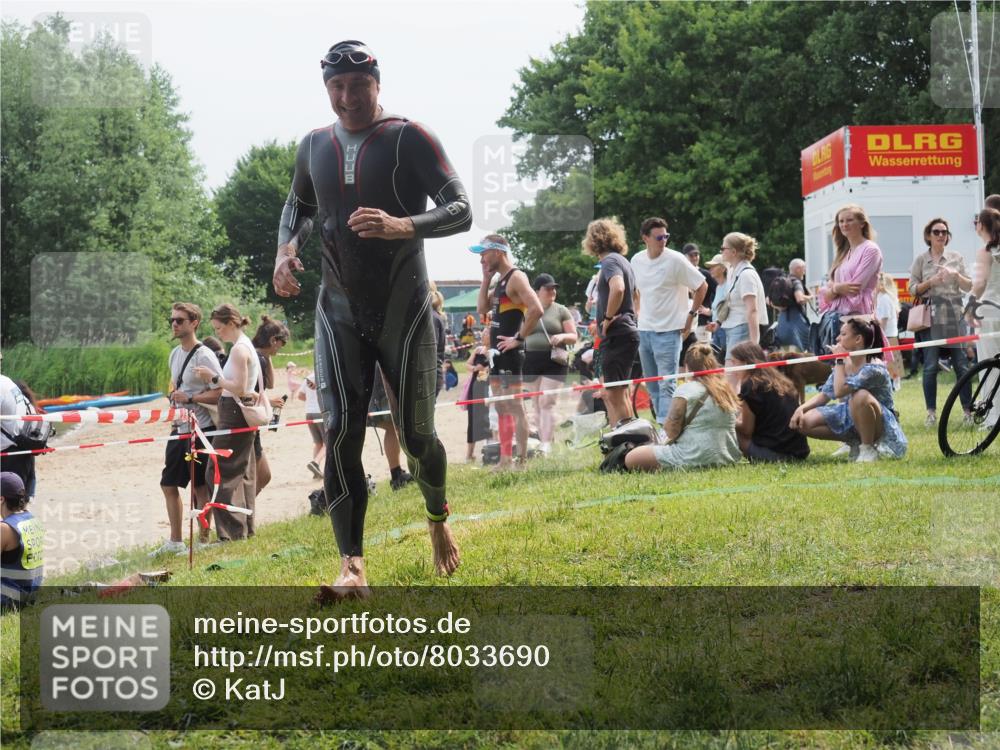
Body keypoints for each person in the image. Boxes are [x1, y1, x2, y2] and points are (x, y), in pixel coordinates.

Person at [272, 40, 470, 594]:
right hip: (337, 310)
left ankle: (437, 516)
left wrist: (404, 225)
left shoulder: (409, 137)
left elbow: (461, 208)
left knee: (417, 435)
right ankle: (352, 566)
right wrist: (285, 251)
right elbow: (298, 206)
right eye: (336, 87)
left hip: (404, 309)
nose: (347, 97)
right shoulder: (314, 145)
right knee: (341, 431)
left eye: (358, 86)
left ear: (377, 84)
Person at [153, 302, 223, 555]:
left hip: (202, 429)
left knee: (200, 487)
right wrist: (174, 399)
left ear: (194, 323)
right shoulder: (174, 354)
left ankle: (203, 540)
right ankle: (175, 541)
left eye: (180, 320)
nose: (174, 324)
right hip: (179, 427)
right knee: (168, 484)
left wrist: (191, 398)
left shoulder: (204, 355)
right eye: (172, 320)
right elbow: (177, 387)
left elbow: (220, 392)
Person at [790, 318, 907, 462]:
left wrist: (839, 360)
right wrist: (800, 409)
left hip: (880, 423)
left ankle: (868, 448)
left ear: (858, 339)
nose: (838, 338)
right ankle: (855, 443)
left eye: (843, 334)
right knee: (805, 422)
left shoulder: (874, 368)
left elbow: (840, 391)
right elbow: (824, 396)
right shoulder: (845, 363)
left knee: (860, 396)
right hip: (851, 412)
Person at [472, 234, 544, 468]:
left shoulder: (516, 277)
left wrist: (518, 338)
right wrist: (485, 279)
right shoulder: (500, 281)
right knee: (501, 405)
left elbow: (536, 309)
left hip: (511, 354)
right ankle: (505, 460)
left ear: (498, 252)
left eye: (484, 254)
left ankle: (521, 461)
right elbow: (482, 308)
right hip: (497, 355)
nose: (481, 259)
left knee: (514, 406)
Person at [192, 304, 260, 541]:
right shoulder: (244, 346)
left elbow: (239, 387)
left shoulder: (239, 350)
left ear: (231, 324)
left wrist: (213, 377)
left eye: (219, 328)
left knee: (218, 471)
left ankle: (231, 533)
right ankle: (244, 529)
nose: (217, 333)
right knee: (242, 472)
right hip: (238, 410)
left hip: (234, 411)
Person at [630, 218, 707, 424]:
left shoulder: (676, 259)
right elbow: (635, 290)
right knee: (652, 385)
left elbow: (702, 286)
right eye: (659, 237)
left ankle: (667, 430)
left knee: (667, 385)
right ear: (645, 238)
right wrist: (637, 311)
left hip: (669, 332)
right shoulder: (636, 260)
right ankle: (662, 424)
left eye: (666, 236)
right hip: (644, 330)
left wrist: (691, 315)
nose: (663, 240)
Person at [624, 344, 741, 471]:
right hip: (727, 457)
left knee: (631, 457)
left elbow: (671, 431)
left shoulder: (686, 389)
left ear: (687, 367)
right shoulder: (726, 389)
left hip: (693, 455)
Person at [908, 217, 974, 427]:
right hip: (931, 315)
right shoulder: (921, 260)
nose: (940, 235)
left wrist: (956, 275)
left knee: (961, 364)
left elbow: (969, 286)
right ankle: (931, 413)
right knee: (930, 365)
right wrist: (931, 282)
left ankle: (968, 412)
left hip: (954, 313)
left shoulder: (956, 257)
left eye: (944, 232)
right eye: (936, 232)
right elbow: (912, 289)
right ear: (928, 236)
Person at [583, 218, 640, 428]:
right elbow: (637, 295)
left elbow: (618, 288)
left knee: (614, 394)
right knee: (620, 392)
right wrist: (632, 318)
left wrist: (607, 319)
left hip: (617, 334)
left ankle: (623, 438)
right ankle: (629, 436)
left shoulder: (609, 262)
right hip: (626, 332)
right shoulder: (624, 261)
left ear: (593, 240)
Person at [523, 273, 578, 454]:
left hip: (554, 360)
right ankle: (544, 440)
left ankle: (545, 444)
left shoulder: (561, 310)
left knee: (547, 401)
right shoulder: (527, 310)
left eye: (554, 288)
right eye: (548, 288)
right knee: (536, 403)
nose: (552, 291)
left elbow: (574, 336)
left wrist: (562, 336)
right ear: (537, 291)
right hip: (531, 360)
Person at [817, 204, 883, 353]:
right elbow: (827, 292)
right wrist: (837, 288)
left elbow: (855, 288)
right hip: (837, 317)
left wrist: (834, 289)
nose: (844, 224)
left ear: (862, 223)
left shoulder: (871, 249)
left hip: (857, 317)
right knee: (836, 361)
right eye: (841, 221)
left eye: (849, 220)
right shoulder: (843, 252)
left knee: (854, 362)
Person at [729, 342, 810, 463]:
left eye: (734, 362)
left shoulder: (750, 386)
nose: (731, 367)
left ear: (745, 363)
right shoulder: (781, 381)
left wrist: (728, 421)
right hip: (799, 451)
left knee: (729, 428)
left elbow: (746, 430)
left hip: (776, 454)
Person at [718, 232, 768, 387]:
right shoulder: (733, 270)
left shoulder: (746, 275)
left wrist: (754, 343)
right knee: (732, 376)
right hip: (733, 328)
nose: (721, 251)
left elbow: (752, 310)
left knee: (732, 377)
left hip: (741, 328)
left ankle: (735, 403)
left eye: (723, 248)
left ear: (733, 252)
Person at [251, 316, 290, 500]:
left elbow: (271, 384)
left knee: (263, 476)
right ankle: (243, 509)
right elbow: (243, 392)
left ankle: (245, 509)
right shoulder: (255, 359)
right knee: (259, 477)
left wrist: (268, 354)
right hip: (246, 423)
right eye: (281, 344)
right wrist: (267, 401)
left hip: (253, 425)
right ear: (274, 340)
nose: (280, 349)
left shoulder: (261, 358)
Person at [972, 207, 1000, 428]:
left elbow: (980, 284)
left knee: (990, 366)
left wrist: (969, 307)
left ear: (981, 225)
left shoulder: (985, 251)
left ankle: (993, 417)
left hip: (989, 312)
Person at [367, 364, 415, 491]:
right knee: (391, 427)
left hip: (367, 388)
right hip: (375, 389)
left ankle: (397, 475)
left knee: (391, 427)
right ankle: (396, 475)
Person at [0, 472, 43, 611]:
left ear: (1, 499)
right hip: (31, 595)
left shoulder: (4, 529)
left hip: (9, 600)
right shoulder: (32, 520)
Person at [464, 329, 492, 462]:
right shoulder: (478, 350)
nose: (483, 335)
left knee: (489, 419)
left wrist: (487, 368)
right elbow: (467, 364)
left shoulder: (495, 351)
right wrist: (475, 368)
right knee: (472, 420)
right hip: (475, 388)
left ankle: (490, 451)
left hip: (489, 387)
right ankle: (469, 454)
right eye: (482, 333)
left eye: (486, 333)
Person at [773, 259, 813, 351]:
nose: (805, 272)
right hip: (796, 323)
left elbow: (769, 300)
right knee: (803, 353)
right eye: (804, 269)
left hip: (782, 323)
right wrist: (810, 297)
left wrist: (781, 308)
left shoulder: (783, 283)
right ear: (798, 269)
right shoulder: (796, 282)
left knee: (787, 354)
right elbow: (800, 298)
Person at [297, 371, 326, 478]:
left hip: (309, 413)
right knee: (328, 443)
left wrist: (310, 399)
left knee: (318, 443)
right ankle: (316, 463)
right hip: (320, 412)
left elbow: (300, 396)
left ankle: (316, 471)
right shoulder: (324, 375)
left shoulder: (309, 377)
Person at [876, 273, 903, 391]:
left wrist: (879, 334)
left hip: (887, 334)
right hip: (891, 333)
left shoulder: (884, 298)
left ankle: (893, 384)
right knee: (893, 360)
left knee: (890, 361)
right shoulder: (887, 297)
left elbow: (884, 319)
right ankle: (894, 383)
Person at [703, 254, 729, 360]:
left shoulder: (729, 286)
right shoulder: (718, 287)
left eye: (714, 266)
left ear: (723, 268)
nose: (710, 269)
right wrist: (709, 312)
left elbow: (728, 308)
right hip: (717, 330)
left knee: (724, 361)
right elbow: (719, 309)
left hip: (725, 330)